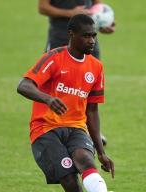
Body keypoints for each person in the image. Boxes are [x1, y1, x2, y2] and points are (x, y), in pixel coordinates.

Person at [17, 14, 117, 192]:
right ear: (71, 35)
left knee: (85, 159)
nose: (91, 40)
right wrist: (48, 98)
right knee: (71, 182)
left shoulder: (95, 67)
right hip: (45, 130)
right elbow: (23, 85)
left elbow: (92, 110)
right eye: (86, 35)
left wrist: (101, 152)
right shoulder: (54, 58)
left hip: (75, 127)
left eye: (93, 35)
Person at [38, 0, 115, 145]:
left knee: (86, 86)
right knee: (56, 86)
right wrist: (70, 13)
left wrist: (103, 22)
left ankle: (86, 128)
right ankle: (53, 126)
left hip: (87, 41)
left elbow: (97, 5)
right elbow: (42, 7)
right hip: (60, 39)